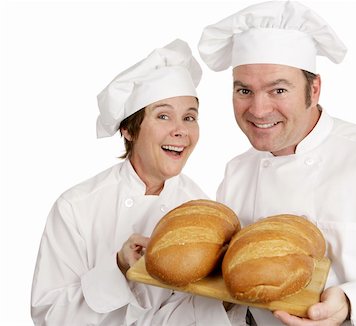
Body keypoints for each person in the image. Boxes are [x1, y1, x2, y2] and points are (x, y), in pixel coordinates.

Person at [198, 1, 356, 325]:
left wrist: (351, 302)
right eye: (244, 90)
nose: (258, 110)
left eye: (278, 90)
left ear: (314, 88)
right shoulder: (237, 171)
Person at [30, 39, 231, 325]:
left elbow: (197, 313)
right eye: (163, 116)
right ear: (128, 129)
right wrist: (119, 267)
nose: (181, 131)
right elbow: (48, 314)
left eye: (190, 117)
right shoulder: (76, 207)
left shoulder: (202, 211)